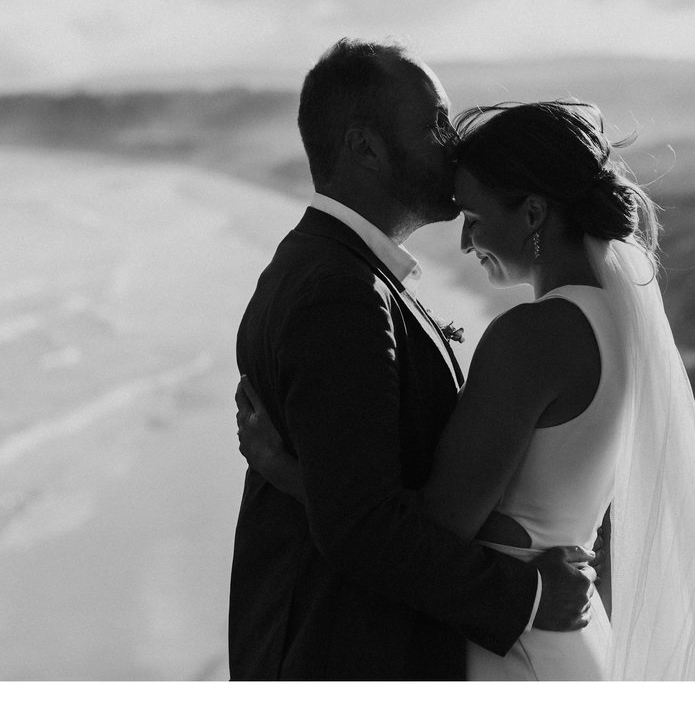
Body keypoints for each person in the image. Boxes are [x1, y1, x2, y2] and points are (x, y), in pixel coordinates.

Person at [238, 97, 695, 680]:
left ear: (533, 214)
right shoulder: (619, 323)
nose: (465, 241)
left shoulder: (533, 337)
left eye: (476, 217)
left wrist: (286, 470)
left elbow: (439, 525)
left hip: (516, 647)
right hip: (562, 637)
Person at [225, 39, 594, 680]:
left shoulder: (337, 270)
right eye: (433, 125)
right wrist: (528, 595)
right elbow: (364, 528)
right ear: (365, 148)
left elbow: (358, 504)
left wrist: (286, 471)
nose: (452, 145)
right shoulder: (339, 294)